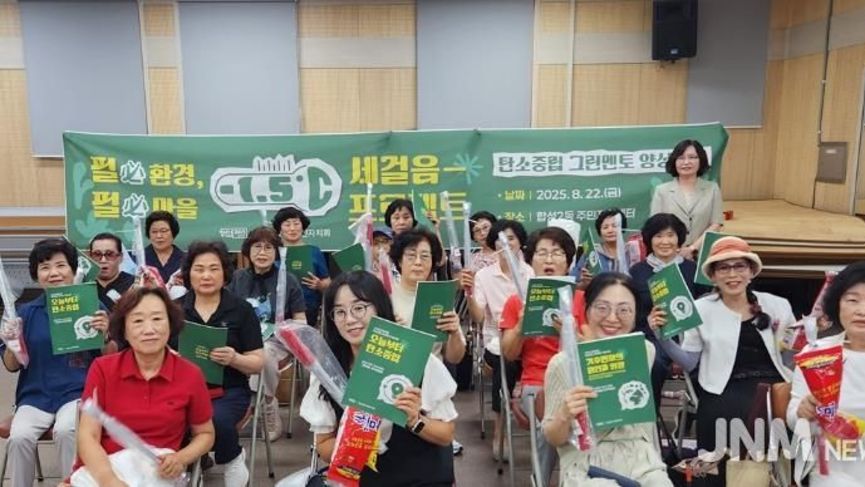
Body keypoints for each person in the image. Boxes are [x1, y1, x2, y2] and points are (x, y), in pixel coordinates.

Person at [651, 236, 794, 485]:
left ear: (751, 272)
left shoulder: (777, 305)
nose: (732, 274)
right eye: (723, 268)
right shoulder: (701, 309)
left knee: (793, 414)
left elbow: (791, 355)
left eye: (739, 266)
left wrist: (809, 334)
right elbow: (689, 362)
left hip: (776, 384)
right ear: (713, 276)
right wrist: (661, 336)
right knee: (729, 414)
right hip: (723, 386)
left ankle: (781, 477)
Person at [299, 271, 457, 486]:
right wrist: (352, 445)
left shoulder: (417, 360)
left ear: (379, 307)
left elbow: (446, 435)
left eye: (359, 308)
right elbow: (323, 444)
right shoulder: (329, 373)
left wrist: (415, 420)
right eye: (340, 312)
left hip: (421, 478)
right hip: (365, 479)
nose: (350, 319)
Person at [71, 287, 214, 486]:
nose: (149, 330)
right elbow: (88, 435)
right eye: (138, 321)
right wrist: (109, 480)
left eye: (157, 319)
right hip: (104, 468)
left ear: (170, 324)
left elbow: (205, 434)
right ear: (124, 330)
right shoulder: (103, 369)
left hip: (158, 471)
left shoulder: (190, 374)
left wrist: (181, 458)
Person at [543, 273, 673, 486]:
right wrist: (565, 414)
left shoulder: (643, 352)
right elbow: (553, 437)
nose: (612, 318)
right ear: (587, 310)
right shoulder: (562, 364)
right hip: (586, 463)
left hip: (641, 459)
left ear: (635, 315)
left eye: (624, 310)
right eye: (602, 308)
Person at [0, 238, 109, 487]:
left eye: (61, 265)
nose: (54, 273)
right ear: (36, 275)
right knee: (19, 437)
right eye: (45, 267)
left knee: (67, 430)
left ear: (73, 269)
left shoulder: (91, 306)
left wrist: (104, 334)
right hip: (34, 396)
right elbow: (12, 365)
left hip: (76, 392)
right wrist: (12, 342)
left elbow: (109, 357)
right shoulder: (25, 313)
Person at [177, 240, 264, 486]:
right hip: (181, 391)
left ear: (225, 273)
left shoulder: (241, 310)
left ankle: (232, 457)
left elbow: (257, 362)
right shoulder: (175, 310)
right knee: (165, 417)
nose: (206, 275)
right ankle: (188, 464)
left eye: (213, 269)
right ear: (189, 273)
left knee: (214, 419)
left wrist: (234, 358)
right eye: (199, 269)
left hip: (228, 391)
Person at [499, 226, 580, 487]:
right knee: (551, 421)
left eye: (557, 253)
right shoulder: (517, 302)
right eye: (542, 253)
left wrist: (572, 334)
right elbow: (509, 353)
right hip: (536, 384)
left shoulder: (583, 299)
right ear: (531, 260)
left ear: (568, 261)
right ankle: (540, 482)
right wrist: (521, 327)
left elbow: (595, 347)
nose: (549, 259)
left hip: (578, 380)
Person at [787, 261, 865, 487]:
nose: (861, 311)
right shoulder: (816, 354)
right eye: (852, 300)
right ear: (837, 304)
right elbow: (794, 420)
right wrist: (803, 412)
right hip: (832, 470)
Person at [227, 226, 307, 442]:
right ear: (248, 250)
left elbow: (301, 319)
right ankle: (241, 405)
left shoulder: (288, 280)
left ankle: (267, 404)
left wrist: (286, 330)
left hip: (277, 341)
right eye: (257, 247)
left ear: (277, 252)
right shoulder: (237, 278)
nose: (262, 253)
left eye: (268, 247)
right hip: (242, 340)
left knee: (265, 354)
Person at [462, 219, 531, 460]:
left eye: (511, 238)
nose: (506, 244)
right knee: (506, 363)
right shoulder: (483, 276)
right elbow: (479, 317)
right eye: (501, 240)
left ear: (520, 242)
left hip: (528, 341)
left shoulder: (530, 273)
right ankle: (501, 431)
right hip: (496, 342)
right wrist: (469, 294)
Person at [628, 214, 708, 407]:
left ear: (679, 239)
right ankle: (651, 416)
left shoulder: (692, 270)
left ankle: (699, 412)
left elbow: (706, 303)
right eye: (658, 236)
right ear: (649, 239)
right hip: (651, 336)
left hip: (690, 336)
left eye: (670, 235)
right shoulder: (637, 272)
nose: (665, 241)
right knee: (653, 363)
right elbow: (631, 312)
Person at [389, 227, 465, 365]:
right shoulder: (385, 296)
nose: (418, 262)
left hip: (432, 374)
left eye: (424, 256)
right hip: (394, 372)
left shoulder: (439, 297)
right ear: (399, 261)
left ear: (432, 262)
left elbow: (454, 358)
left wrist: (455, 333)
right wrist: (386, 332)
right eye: (411, 256)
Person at [650, 139, 724, 258]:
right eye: (681, 158)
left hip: (702, 254)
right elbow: (655, 226)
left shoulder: (712, 189)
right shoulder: (661, 191)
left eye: (692, 157)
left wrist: (693, 248)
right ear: (674, 161)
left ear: (701, 160)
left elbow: (716, 224)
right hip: (669, 255)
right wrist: (675, 249)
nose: (686, 162)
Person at [272, 207, 331, 327]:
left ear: (303, 227)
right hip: (277, 309)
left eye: (296, 223)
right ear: (279, 229)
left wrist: (319, 284)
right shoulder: (273, 251)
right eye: (287, 224)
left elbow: (328, 282)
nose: (292, 228)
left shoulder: (314, 251)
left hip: (308, 308)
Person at [573, 209, 628, 286]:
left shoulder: (633, 251)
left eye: (615, 226)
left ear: (622, 228)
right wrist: (584, 282)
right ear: (600, 232)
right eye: (605, 227)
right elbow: (573, 282)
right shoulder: (591, 253)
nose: (610, 230)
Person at [89, 232, 134, 310]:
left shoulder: (134, 285)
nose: (103, 260)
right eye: (97, 254)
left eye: (109, 254)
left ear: (120, 258)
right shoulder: (84, 286)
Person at [145, 211, 186, 284]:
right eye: (154, 232)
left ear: (173, 232)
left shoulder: (185, 259)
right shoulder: (140, 258)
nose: (159, 236)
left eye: (164, 231)